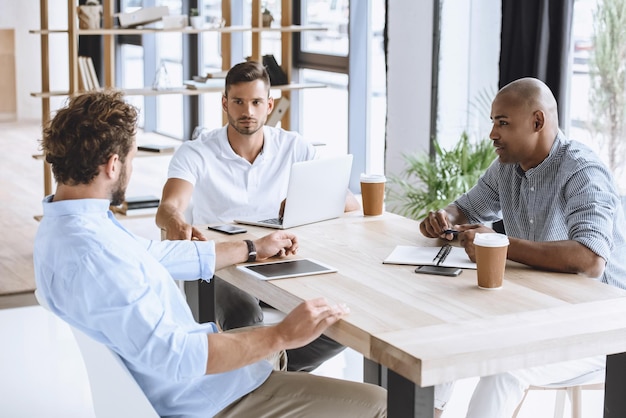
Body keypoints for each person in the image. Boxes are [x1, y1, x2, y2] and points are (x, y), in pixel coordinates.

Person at [33, 90, 387, 418]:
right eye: (130, 158)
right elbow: (178, 358)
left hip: (203, 378)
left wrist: (250, 248)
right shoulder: (95, 256)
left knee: (321, 330)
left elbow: (152, 255)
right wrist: (280, 335)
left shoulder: (68, 226)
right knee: (382, 404)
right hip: (210, 398)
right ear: (113, 165)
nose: (130, 167)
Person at [420, 77, 626, 417]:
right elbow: (466, 209)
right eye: (493, 123)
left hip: (600, 328)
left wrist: (497, 243)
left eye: (503, 123)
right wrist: (443, 217)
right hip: (538, 312)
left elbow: (590, 260)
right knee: (444, 340)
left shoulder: (582, 170)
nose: (492, 134)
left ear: (537, 122)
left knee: (504, 371)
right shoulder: (507, 167)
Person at [156, 60, 359, 372]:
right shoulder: (195, 152)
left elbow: (346, 202)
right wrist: (176, 221)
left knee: (340, 314)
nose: (247, 111)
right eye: (238, 101)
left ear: (270, 105)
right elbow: (169, 207)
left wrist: (304, 201)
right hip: (220, 268)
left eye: (255, 102)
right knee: (244, 316)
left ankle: (267, 373)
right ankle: (260, 381)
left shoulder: (295, 146)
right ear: (224, 103)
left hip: (278, 258)